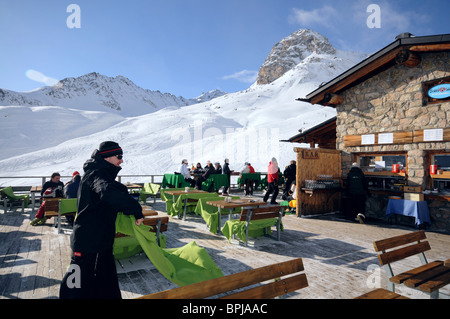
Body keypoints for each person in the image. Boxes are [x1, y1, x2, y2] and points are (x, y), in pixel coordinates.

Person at [59, 141, 144, 299]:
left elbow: (110, 191)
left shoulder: (99, 173)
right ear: (107, 157)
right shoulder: (96, 175)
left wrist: (123, 191)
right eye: (119, 156)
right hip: (88, 243)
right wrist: (136, 210)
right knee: (74, 285)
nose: (121, 160)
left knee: (106, 284)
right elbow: (106, 192)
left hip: (100, 241)